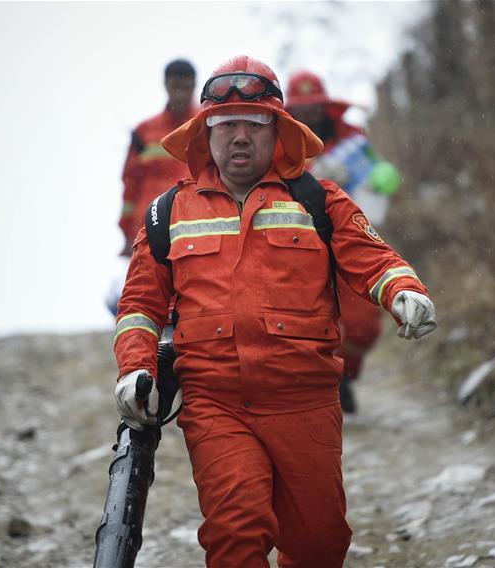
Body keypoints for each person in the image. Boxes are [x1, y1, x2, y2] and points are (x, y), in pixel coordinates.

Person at [112, 55, 436, 568]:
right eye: (226, 124)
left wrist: (402, 290)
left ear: (279, 131)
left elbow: (374, 258)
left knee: (319, 544)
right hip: (216, 404)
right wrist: (135, 369)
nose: (240, 136)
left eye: (255, 123)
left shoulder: (319, 201)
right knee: (235, 538)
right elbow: (139, 307)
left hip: (305, 403)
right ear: (205, 133)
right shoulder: (167, 212)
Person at [285, 69, 402, 414]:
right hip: (298, 247)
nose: (307, 114)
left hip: (351, 241)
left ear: (324, 105)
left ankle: (344, 377)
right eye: (300, 108)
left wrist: (384, 177)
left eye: (313, 106)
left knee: (364, 325)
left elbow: (377, 169)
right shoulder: (279, 143)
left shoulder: (352, 138)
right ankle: (322, 389)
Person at [118, 59, 198, 256]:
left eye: (185, 86)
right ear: (165, 85)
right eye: (175, 86)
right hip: (148, 229)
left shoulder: (207, 126)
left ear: (194, 86)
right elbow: (131, 183)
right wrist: (127, 231)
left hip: (194, 224)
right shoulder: (145, 132)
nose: (180, 92)